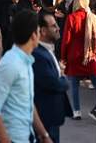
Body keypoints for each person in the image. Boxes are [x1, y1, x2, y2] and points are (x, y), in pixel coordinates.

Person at [0, 10, 53, 143]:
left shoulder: (26, 62)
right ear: (34, 35)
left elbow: (28, 103)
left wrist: (44, 135)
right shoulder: (11, 64)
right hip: (10, 138)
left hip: (25, 136)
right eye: (38, 31)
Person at [33, 11, 72, 143]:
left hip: (51, 118)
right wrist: (63, 79)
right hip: (45, 118)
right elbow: (53, 82)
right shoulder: (38, 54)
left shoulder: (47, 50)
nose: (58, 28)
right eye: (54, 26)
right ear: (43, 31)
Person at [60, 0, 96, 121]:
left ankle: (76, 112)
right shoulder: (92, 17)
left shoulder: (71, 18)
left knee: (74, 85)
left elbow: (66, 39)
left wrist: (63, 56)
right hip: (89, 54)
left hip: (74, 54)